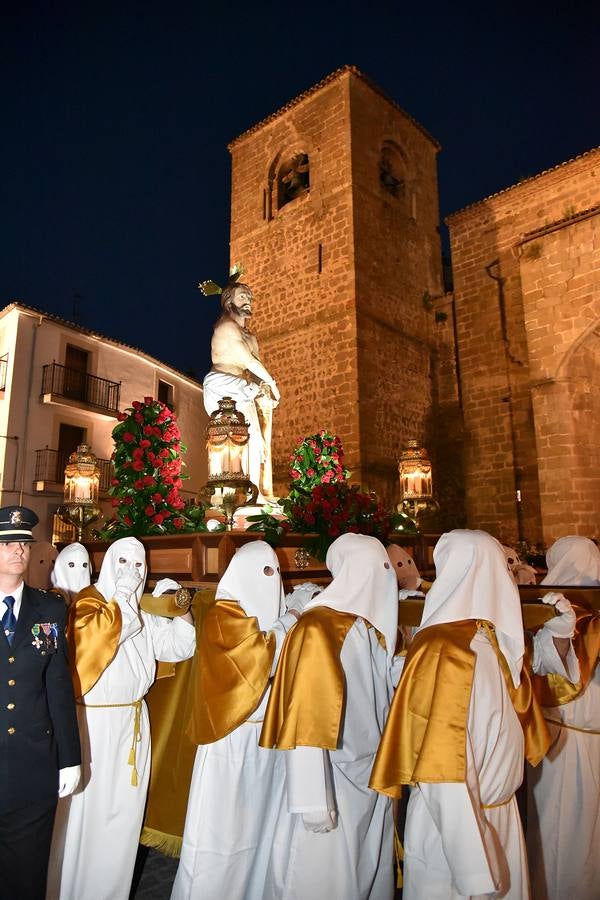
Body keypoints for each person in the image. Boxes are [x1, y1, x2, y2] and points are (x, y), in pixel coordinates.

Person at [370, 529, 576, 900]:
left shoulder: (487, 638)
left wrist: (559, 629)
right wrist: (472, 870)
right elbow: (439, 770)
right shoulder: (446, 651)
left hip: (497, 816)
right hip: (460, 834)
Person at [49, 537, 196, 900]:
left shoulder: (140, 609)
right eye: (124, 563)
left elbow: (179, 647)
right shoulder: (87, 604)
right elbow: (107, 636)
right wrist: (127, 598)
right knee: (84, 816)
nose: (132, 572)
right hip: (90, 726)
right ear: (109, 565)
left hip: (132, 724)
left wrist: (180, 605)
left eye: (139, 565)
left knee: (122, 819)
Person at [259, 533, 400, 900]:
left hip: (370, 772)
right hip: (331, 779)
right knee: (322, 877)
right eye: (380, 566)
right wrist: (312, 798)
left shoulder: (367, 625)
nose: (387, 575)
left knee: (367, 872)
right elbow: (304, 715)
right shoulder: (317, 629)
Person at [171, 540, 303, 900]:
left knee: (261, 831)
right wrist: (291, 619)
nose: (271, 579)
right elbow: (260, 656)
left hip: (268, 739)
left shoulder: (271, 616)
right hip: (230, 738)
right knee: (220, 834)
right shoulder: (222, 614)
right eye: (264, 572)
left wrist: (288, 614)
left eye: (275, 571)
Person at [0, 506, 80, 900]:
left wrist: (69, 758)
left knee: (27, 879)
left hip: (33, 768)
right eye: (8, 543)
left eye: (24, 544)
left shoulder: (49, 609)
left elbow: (58, 688)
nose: (19, 551)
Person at [527, 535, 600, 900]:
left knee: (561, 839)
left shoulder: (553, 613)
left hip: (561, 744)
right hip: (576, 740)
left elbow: (551, 674)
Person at [203, 281, 280, 500]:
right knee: (227, 438)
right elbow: (247, 361)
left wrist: (264, 390)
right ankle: (224, 494)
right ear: (229, 302)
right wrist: (272, 383)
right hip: (223, 385)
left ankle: (254, 492)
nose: (247, 301)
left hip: (242, 386)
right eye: (242, 297)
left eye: (249, 297)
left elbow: (254, 368)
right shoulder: (225, 326)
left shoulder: (250, 336)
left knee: (256, 440)